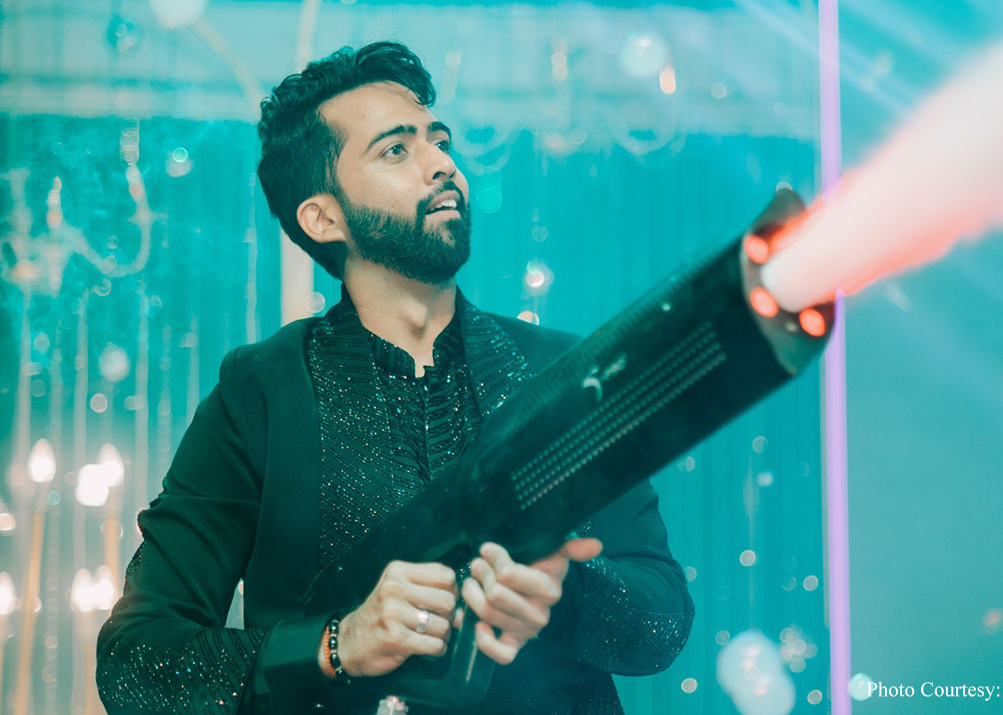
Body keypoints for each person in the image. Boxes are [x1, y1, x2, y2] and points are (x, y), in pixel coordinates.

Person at [96, 41, 694, 714]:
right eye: (396, 150)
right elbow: (134, 663)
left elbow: (665, 622)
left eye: (439, 141)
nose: (442, 164)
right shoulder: (258, 392)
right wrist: (337, 644)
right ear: (323, 216)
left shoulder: (564, 371)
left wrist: (569, 591)